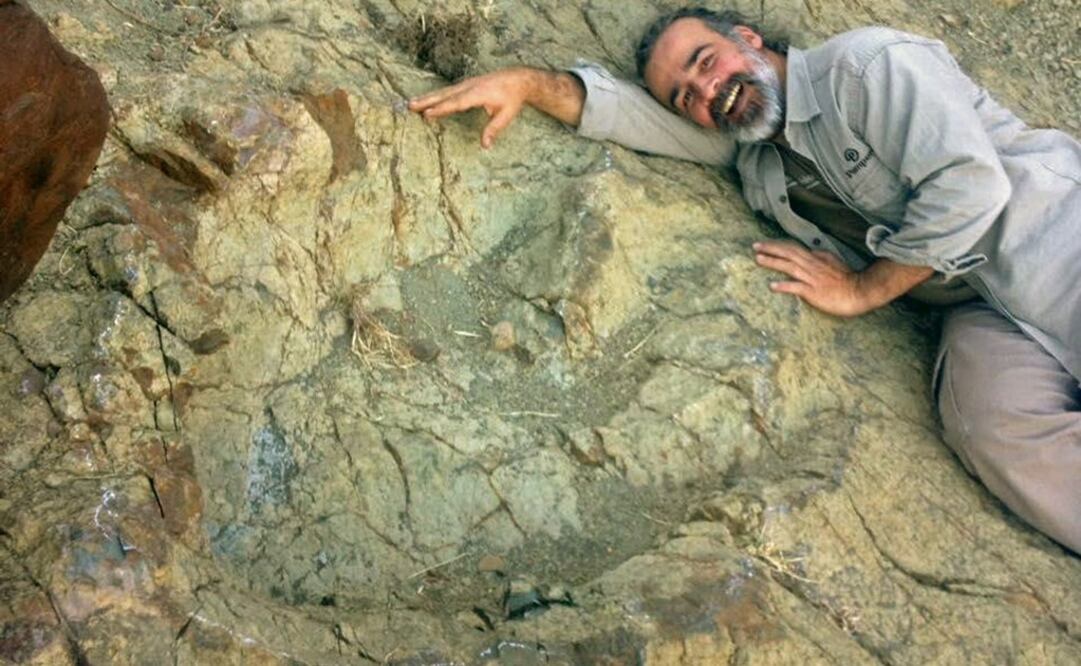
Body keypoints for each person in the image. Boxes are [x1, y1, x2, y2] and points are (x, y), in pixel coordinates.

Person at [409, 8, 1081, 554]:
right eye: (687, 96)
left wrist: (863, 290)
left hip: (1051, 234)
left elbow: (973, 188)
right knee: (990, 424)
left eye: (706, 62)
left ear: (748, 40)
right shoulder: (752, 153)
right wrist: (526, 85)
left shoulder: (868, 65)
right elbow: (624, 114)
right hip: (979, 306)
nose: (709, 92)